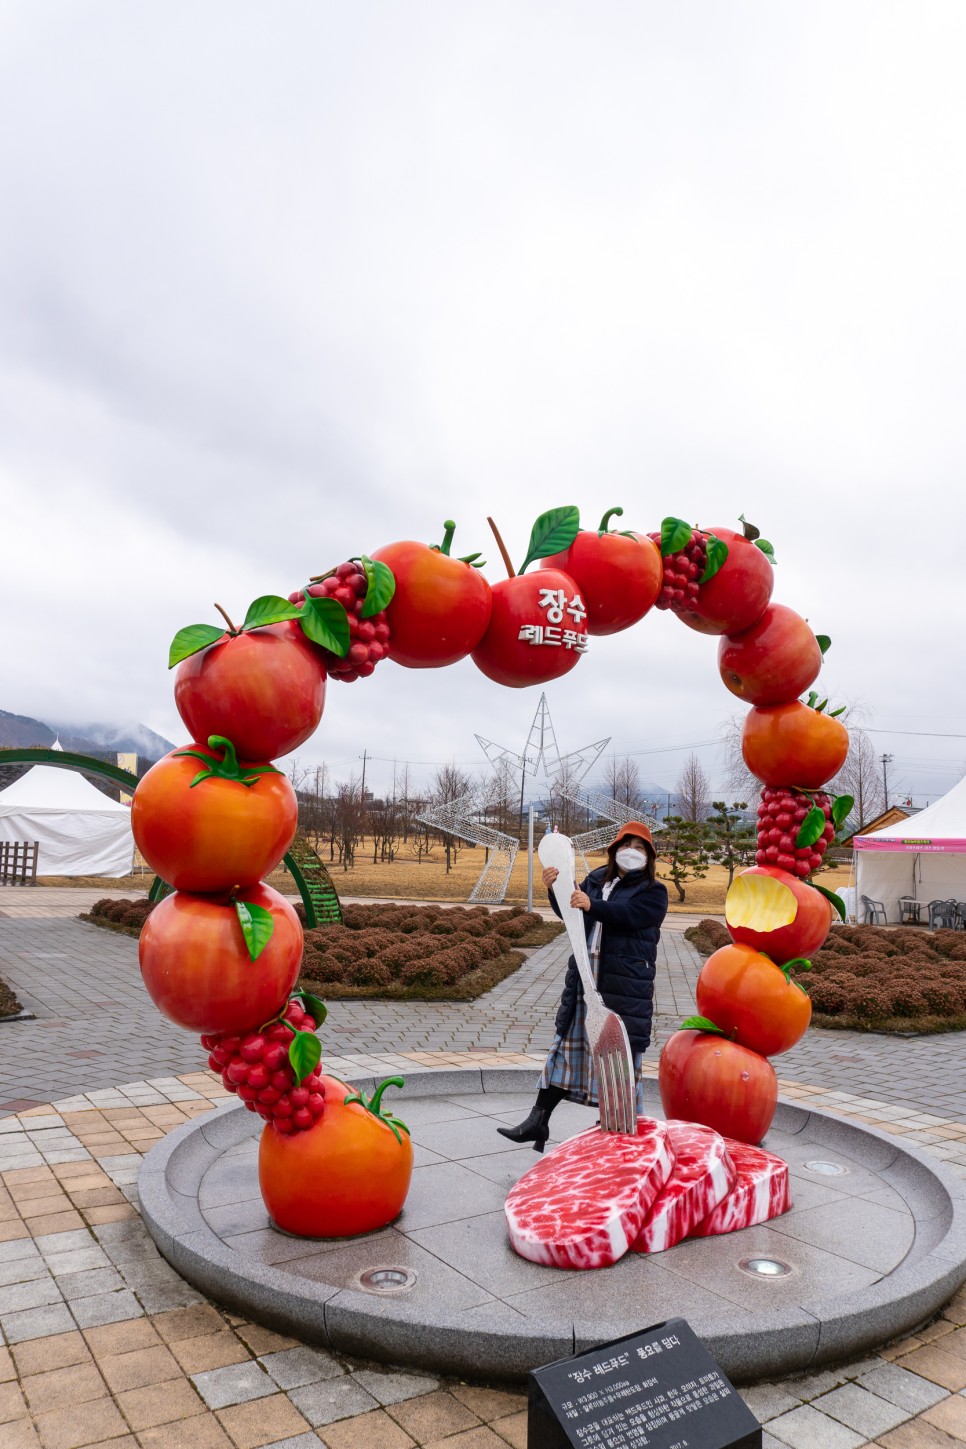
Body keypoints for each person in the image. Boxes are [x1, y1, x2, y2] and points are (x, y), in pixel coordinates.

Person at [497, 821, 668, 1153]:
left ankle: (621, 1135)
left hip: (623, 986)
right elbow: (573, 916)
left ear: (649, 855)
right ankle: (538, 1120)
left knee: (617, 1059)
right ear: (614, 848)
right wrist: (555, 889)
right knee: (567, 1049)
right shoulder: (594, 880)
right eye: (626, 844)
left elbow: (629, 915)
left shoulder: (653, 892)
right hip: (586, 979)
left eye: (640, 847)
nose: (631, 851)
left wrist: (594, 905)